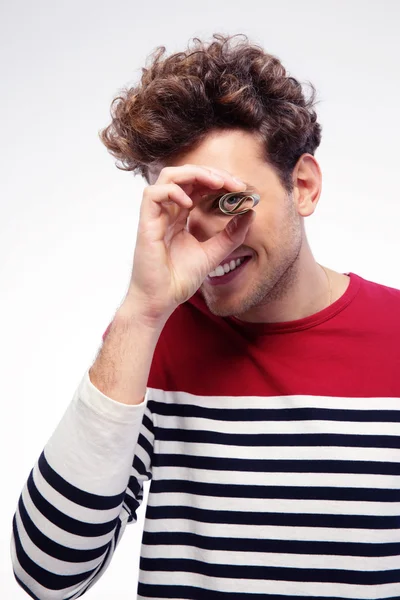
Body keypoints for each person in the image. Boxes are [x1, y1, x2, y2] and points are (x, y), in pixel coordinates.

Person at [11, 33, 400, 600]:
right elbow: (47, 576)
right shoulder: (153, 337)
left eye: (228, 201)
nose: (207, 235)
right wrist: (142, 313)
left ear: (304, 186)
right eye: (183, 206)